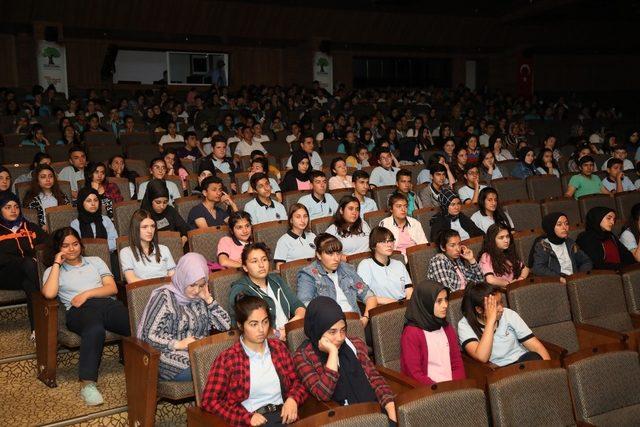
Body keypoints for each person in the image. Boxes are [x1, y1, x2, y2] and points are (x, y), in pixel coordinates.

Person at [41, 227, 130, 405]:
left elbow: (112, 288)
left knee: (135, 323)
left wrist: (87, 294)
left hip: (106, 303)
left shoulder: (95, 261)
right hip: (78, 311)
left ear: (81, 245)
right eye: (65, 246)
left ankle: (156, 364)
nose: (71, 249)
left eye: (75, 244)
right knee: (95, 330)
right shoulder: (52, 270)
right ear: (57, 248)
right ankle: (87, 384)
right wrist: (57, 264)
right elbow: (49, 294)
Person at [201, 295, 307, 426]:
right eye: (254, 324)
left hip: (284, 415)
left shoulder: (278, 348)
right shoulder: (228, 359)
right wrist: (245, 417)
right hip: (252, 420)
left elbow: (297, 381)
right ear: (240, 325)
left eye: (265, 322)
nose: (261, 329)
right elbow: (209, 400)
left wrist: (293, 399)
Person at [292, 297, 396, 421]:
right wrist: (333, 353)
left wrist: (390, 407)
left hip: (375, 413)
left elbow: (375, 379)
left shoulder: (355, 343)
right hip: (343, 419)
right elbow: (323, 393)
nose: (340, 337)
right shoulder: (303, 356)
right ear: (318, 329)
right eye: (332, 332)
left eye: (343, 330)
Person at [137, 253, 231, 381]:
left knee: (228, 362)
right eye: (192, 285)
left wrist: (209, 300)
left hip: (199, 352)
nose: (197, 290)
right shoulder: (164, 297)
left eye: (202, 285)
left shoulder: (202, 297)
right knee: (208, 369)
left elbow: (225, 325)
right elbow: (148, 335)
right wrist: (178, 344)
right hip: (168, 354)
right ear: (182, 278)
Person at [458, 282, 550, 366]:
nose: (501, 309)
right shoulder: (465, 325)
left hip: (522, 362)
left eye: (501, 302)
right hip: (498, 372)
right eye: (495, 305)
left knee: (534, 357)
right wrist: (490, 321)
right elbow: (482, 357)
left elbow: (536, 347)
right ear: (479, 310)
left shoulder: (508, 314)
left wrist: (550, 369)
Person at [229, 243, 305, 338]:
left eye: (264, 260)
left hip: (290, 333)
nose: (261, 265)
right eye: (254, 261)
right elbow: (249, 327)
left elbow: (298, 306)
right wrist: (278, 334)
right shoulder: (241, 289)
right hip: (265, 341)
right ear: (245, 267)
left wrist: (288, 328)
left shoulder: (276, 280)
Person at [297, 233, 378, 323]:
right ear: (319, 255)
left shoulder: (347, 268)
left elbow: (369, 296)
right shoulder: (308, 274)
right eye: (330, 254)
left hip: (356, 321)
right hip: (329, 325)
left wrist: (366, 318)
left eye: (338, 253)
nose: (336, 259)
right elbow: (304, 305)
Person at [400, 280, 465, 385]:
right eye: (439, 301)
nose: (445, 305)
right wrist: (439, 391)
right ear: (426, 302)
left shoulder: (446, 327)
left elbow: (456, 362)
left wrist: (457, 386)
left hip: (452, 389)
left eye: (446, 300)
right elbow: (414, 374)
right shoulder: (412, 333)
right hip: (429, 393)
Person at [0, 192, 47, 337]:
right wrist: (24, 261)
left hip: (29, 273)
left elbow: (47, 243)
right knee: (28, 263)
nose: (13, 210)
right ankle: (50, 294)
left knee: (30, 284)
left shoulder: (30, 227)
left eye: (15, 206)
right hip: (5, 274)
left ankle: (37, 330)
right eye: (8, 207)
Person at [529, 212, 593, 282]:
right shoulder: (543, 245)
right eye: (559, 224)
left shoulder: (570, 243)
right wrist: (558, 278)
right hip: (556, 283)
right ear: (551, 227)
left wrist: (579, 275)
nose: (564, 227)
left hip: (574, 280)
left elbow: (586, 261)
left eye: (566, 224)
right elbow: (538, 268)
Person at [357, 226, 413, 303]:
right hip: (382, 308)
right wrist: (395, 303)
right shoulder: (366, 265)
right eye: (384, 241)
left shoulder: (399, 264)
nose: (389, 245)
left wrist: (408, 305)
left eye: (391, 241)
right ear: (373, 245)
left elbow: (409, 290)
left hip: (404, 305)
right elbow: (363, 294)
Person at [119, 209, 177, 284]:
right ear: (135, 229)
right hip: (143, 293)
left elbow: (173, 277)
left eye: (152, 226)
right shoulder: (126, 252)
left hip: (166, 292)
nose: (150, 231)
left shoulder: (164, 249)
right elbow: (131, 280)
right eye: (144, 227)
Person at [70, 188, 118, 269]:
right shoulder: (75, 224)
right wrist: (98, 248)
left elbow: (114, 241)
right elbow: (76, 247)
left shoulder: (105, 220)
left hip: (107, 257)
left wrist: (99, 249)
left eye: (96, 200)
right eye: (88, 201)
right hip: (85, 261)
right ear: (82, 203)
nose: (93, 203)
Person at [140, 179, 191, 245]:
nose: (162, 206)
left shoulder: (170, 210)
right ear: (150, 200)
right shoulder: (142, 215)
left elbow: (184, 228)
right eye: (158, 202)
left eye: (165, 202)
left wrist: (184, 237)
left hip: (174, 246)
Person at [22, 164, 71, 232]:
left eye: (50, 176)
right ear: (37, 180)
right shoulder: (31, 198)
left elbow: (68, 214)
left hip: (62, 230)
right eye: (43, 177)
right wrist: (42, 226)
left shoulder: (61, 195)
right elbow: (30, 221)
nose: (48, 180)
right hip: (41, 232)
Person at [274, 203, 317, 269]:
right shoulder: (283, 241)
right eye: (298, 217)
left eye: (305, 216)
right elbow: (279, 268)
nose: (303, 220)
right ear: (291, 220)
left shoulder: (312, 236)